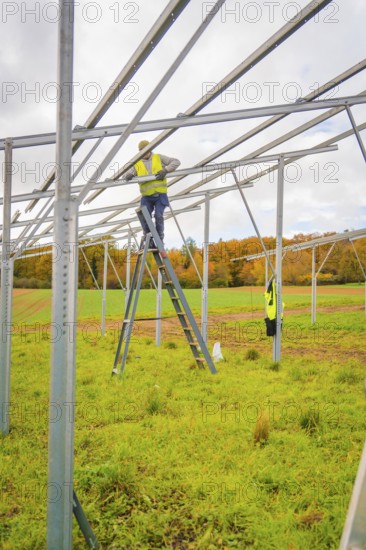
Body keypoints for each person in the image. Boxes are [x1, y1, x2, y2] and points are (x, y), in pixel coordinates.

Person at [123, 140, 180, 247]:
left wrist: (166, 170)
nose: (145, 153)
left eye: (146, 150)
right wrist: (129, 175)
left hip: (160, 195)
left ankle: (160, 239)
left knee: (158, 216)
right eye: (142, 151)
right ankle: (149, 238)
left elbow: (176, 162)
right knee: (145, 217)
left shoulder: (158, 157)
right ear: (139, 152)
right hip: (147, 196)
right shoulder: (137, 163)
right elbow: (126, 174)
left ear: (150, 149)